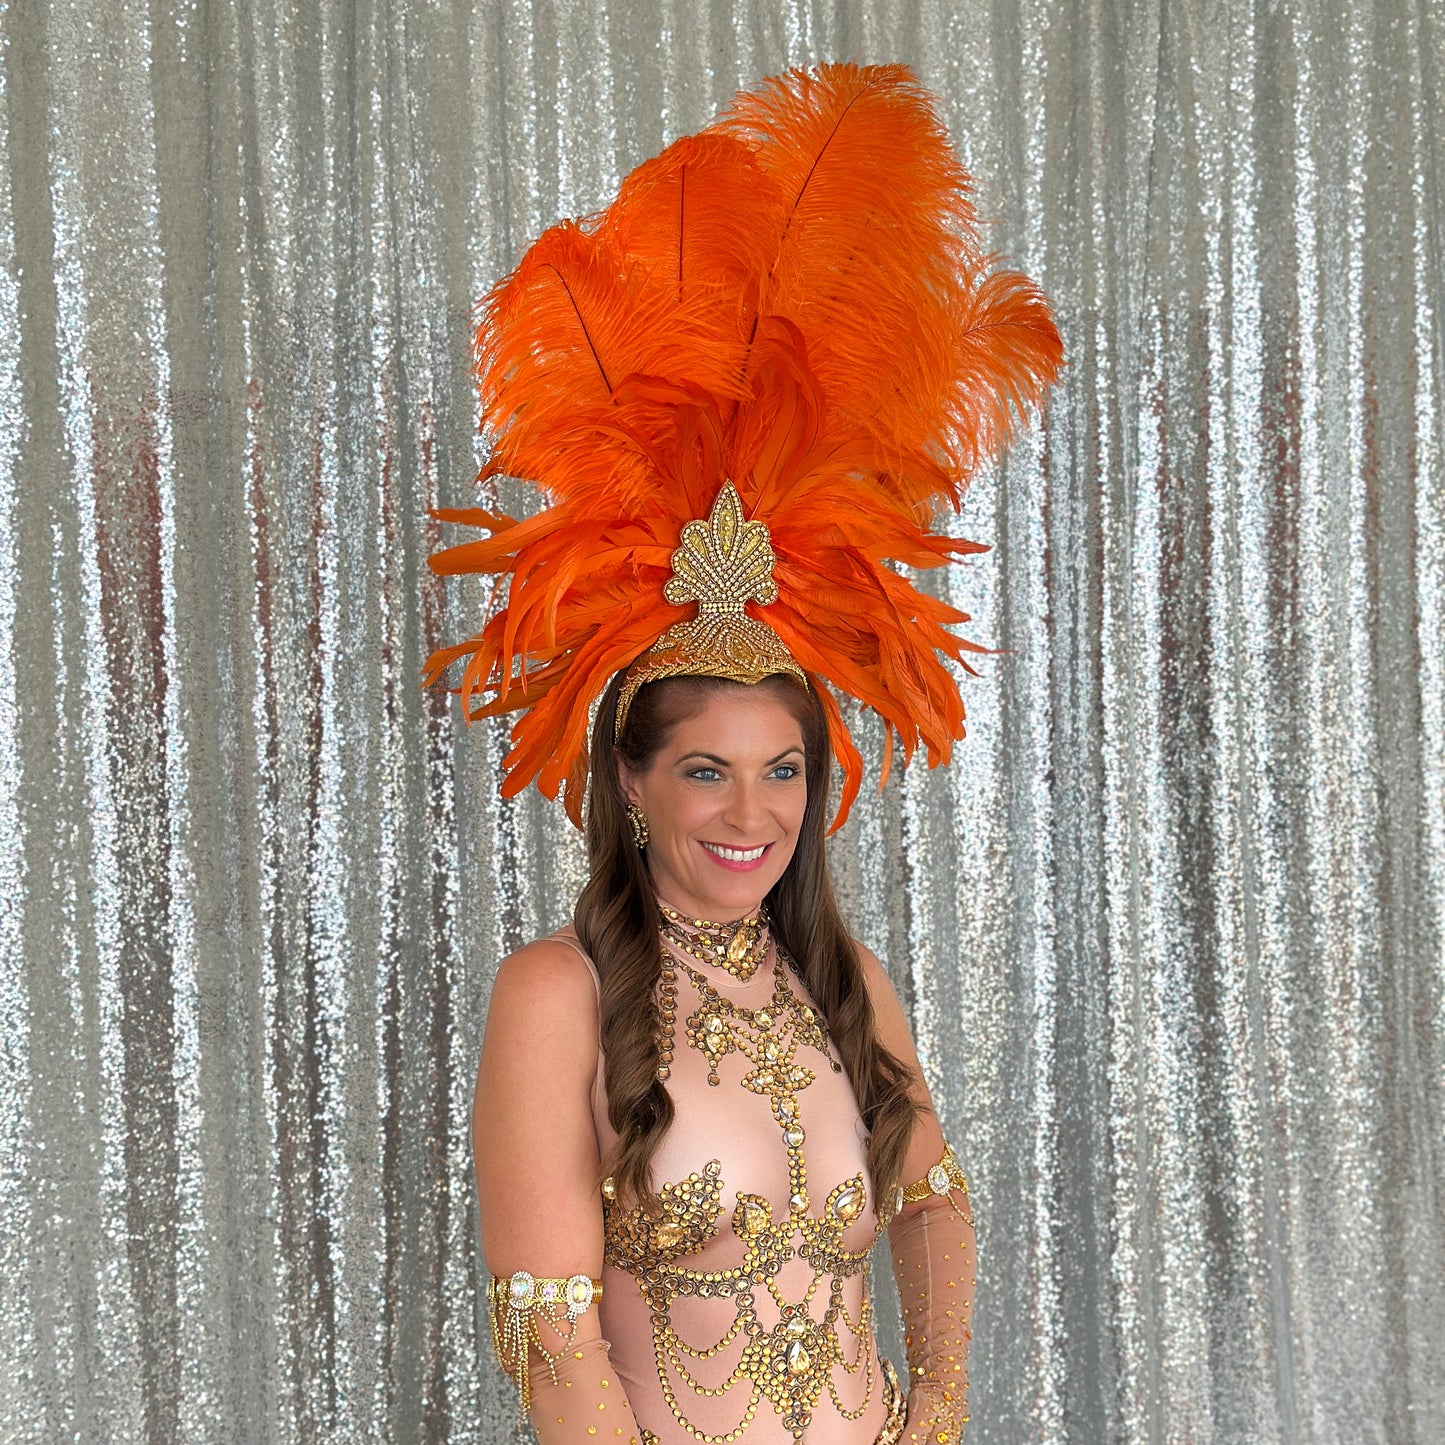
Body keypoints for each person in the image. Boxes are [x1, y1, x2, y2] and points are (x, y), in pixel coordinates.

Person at [424, 62, 1062, 1444]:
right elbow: (552, 1334)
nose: (750, 808)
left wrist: (936, 1401)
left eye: (782, 769)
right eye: (705, 767)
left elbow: (931, 1201)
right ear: (634, 785)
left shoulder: (839, 976)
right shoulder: (554, 994)